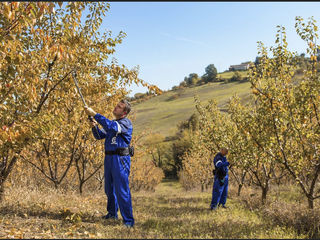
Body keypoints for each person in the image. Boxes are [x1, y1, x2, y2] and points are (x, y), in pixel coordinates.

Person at [84, 99, 134, 228]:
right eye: (116, 105)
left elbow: (111, 126)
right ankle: (112, 214)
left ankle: (128, 221)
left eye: (119, 107)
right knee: (109, 189)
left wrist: (95, 114)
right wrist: (94, 126)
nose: (116, 107)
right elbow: (99, 135)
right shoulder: (114, 124)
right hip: (109, 159)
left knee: (121, 190)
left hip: (120, 159)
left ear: (124, 112)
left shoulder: (125, 123)